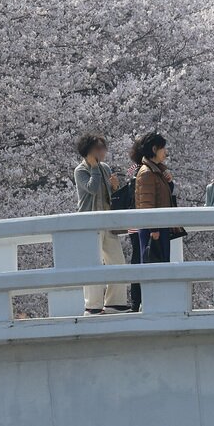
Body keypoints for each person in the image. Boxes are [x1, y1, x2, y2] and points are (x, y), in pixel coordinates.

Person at [74, 134, 131, 315]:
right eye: (98, 149)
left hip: (108, 221)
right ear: (88, 151)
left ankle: (115, 302)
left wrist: (115, 186)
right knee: (92, 264)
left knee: (118, 261)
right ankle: (92, 305)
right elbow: (91, 188)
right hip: (90, 223)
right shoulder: (81, 170)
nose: (102, 152)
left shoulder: (105, 168)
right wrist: (94, 167)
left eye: (103, 148)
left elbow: (110, 196)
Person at [131, 132, 175, 283]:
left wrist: (169, 182)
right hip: (154, 228)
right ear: (155, 149)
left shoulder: (156, 171)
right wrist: (153, 228)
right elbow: (146, 203)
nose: (165, 153)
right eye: (163, 149)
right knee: (154, 265)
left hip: (158, 225)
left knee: (160, 265)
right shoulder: (147, 173)